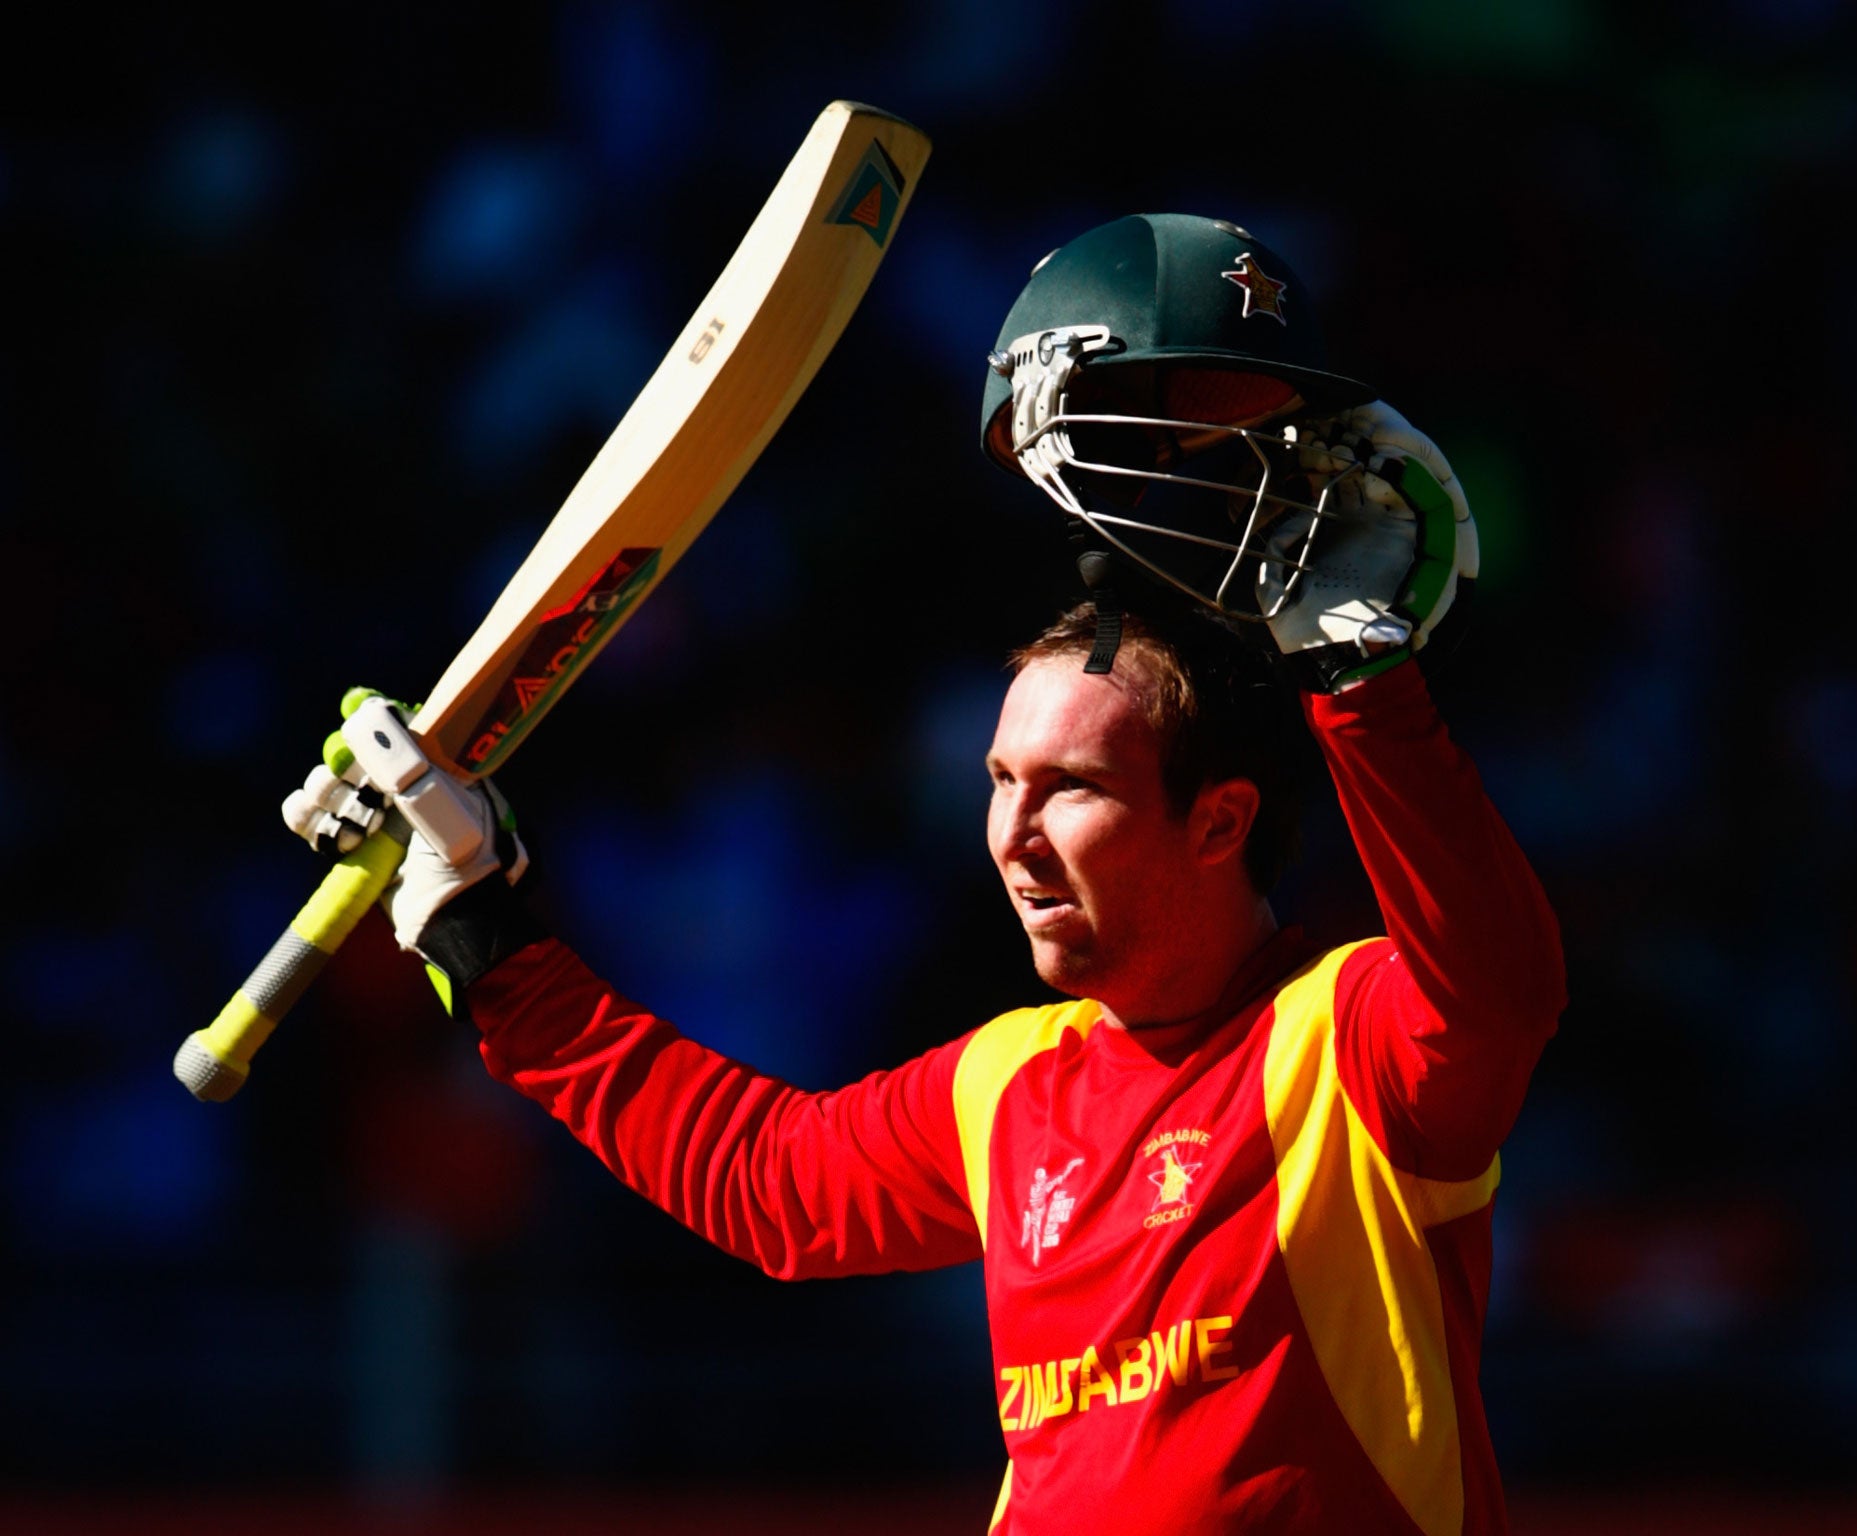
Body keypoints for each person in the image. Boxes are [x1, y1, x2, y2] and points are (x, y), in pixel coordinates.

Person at [287, 213, 1565, 1535]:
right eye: (1000, 784)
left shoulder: (1344, 1046)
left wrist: (1365, 686)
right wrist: (488, 943)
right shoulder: (1008, 1084)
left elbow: (1500, 990)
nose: (1012, 835)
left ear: (1219, 821)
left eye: (1070, 789)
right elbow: (764, 1184)